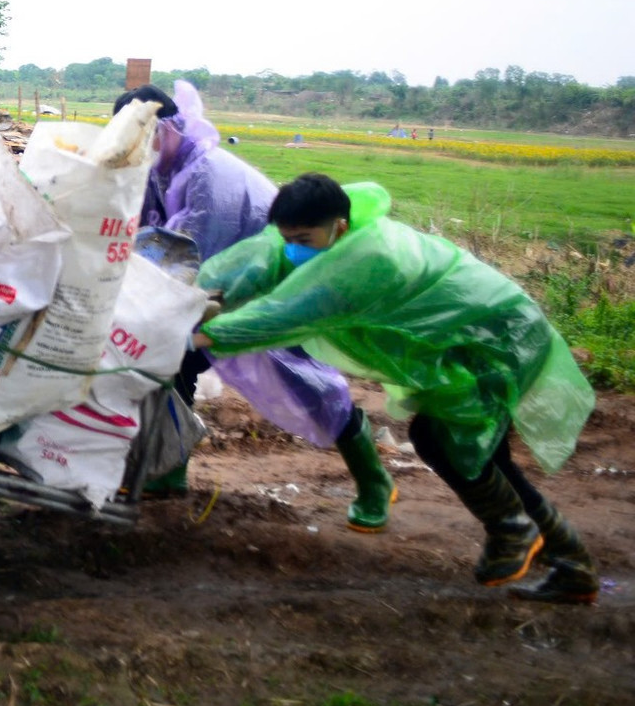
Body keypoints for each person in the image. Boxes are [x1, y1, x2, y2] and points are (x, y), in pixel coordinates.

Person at [195, 173, 598, 604]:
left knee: (444, 439)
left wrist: (195, 335)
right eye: (287, 236)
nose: (293, 246)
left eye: (303, 238)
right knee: (484, 456)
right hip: (468, 336)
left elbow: (283, 315)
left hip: (499, 339)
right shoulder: (324, 238)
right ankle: (571, 564)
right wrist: (202, 294)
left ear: (339, 227)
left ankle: (513, 530)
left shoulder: (368, 261)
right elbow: (265, 261)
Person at [117, 84, 391, 532]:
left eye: (139, 134)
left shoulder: (209, 174)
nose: (133, 147)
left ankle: (373, 480)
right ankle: (168, 469)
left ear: (167, 128)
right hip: (219, 289)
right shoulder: (160, 168)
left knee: (303, 383)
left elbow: (196, 253)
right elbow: (146, 231)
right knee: (175, 362)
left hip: (272, 287)